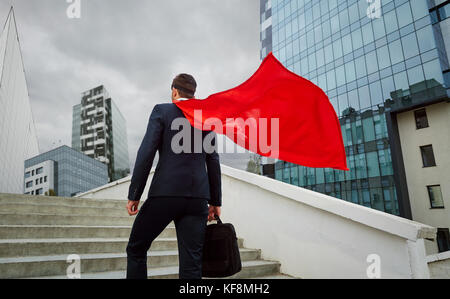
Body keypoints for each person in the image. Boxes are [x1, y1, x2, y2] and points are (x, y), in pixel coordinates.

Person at [125, 73, 222, 279]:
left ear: (174, 91)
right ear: (193, 94)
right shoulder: (206, 118)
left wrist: (135, 193)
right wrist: (215, 201)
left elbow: (146, 153)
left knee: (136, 249)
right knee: (192, 264)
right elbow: (212, 160)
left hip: (165, 194)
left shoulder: (162, 111)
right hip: (197, 199)